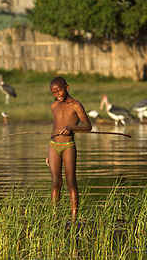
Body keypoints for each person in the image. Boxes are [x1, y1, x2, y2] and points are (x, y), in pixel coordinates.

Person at [47, 76, 92, 223]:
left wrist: (72, 128)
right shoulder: (54, 106)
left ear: (67, 87)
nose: (57, 94)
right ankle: (54, 217)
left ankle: (74, 219)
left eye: (59, 90)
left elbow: (87, 126)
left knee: (71, 182)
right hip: (53, 146)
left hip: (68, 147)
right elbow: (54, 128)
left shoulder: (76, 105)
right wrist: (47, 153)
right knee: (55, 182)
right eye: (54, 92)